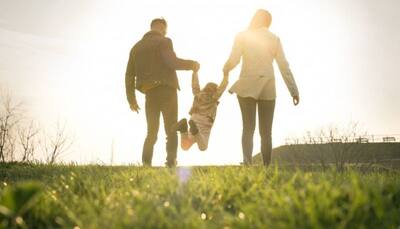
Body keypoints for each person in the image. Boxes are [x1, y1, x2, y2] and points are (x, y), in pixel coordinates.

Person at [223, 9, 300, 166]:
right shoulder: (274, 39)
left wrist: (226, 69)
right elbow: (284, 67)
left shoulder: (242, 36)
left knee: (248, 128)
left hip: (246, 85)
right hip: (268, 87)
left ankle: (247, 163)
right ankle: (266, 166)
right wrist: (294, 90)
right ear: (268, 22)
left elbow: (234, 59)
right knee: (266, 132)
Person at [125, 18, 200, 167]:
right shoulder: (164, 41)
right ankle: (171, 162)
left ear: (151, 27)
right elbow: (171, 62)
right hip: (167, 91)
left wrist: (131, 99)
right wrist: (192, 64)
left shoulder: (136, 47)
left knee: (151, 132)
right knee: (171, 128)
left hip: (149, 93)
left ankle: (146, 164)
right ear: (163, 28)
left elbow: (129, 75)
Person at [173, 71, 229, 151]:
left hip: (194, 119)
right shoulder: (214, 98)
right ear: (215, 90)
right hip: (205, 124)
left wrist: (195, 72)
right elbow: (222, 88)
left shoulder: (198, 94)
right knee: (203, 147)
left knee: (185, 146)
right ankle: (195, 131)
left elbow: (195, 85)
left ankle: (183, 128)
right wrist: (226, 75)